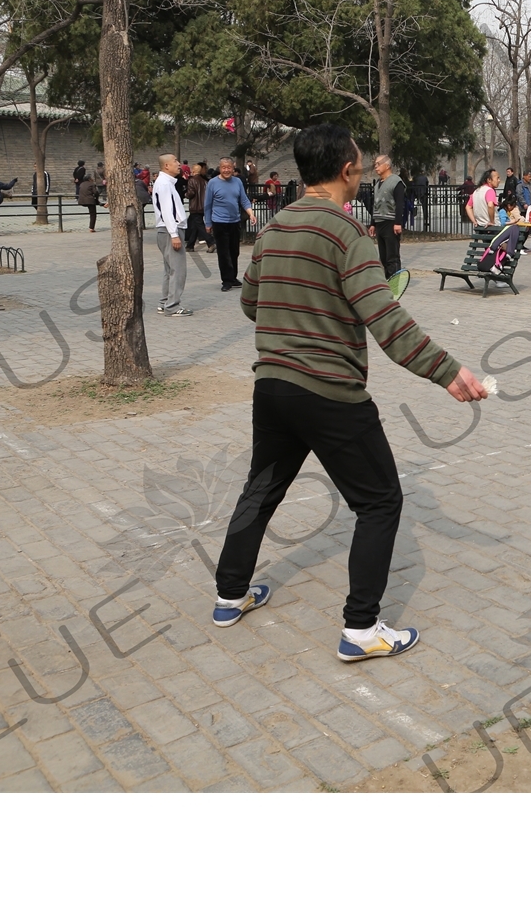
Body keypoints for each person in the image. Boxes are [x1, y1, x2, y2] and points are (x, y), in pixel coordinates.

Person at [212, 123, 489, 662]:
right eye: (361, 166)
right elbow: (384, 318)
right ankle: (361, 629)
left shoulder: (273, 229)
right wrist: (448, 371)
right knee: (380, 500)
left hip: (272, 388)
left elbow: (251, 303)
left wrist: (295, 310)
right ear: (346, 171)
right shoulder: (348, 233)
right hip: (329, 393)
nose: (362, 174)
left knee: (260, 490)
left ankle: (229, 594)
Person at [206, 156, 256, 289]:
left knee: (234, 251)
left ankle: (233, 277)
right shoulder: (213, 183)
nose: (226, 170)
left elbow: (244, 200)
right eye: (224, 168)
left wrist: (251, 214)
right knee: (223, 252)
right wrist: (208, 223)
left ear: (233, 168)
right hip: (219, 222)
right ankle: (226, 280)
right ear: (220, 168)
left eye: (229, 168)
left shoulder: (238, 182)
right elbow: (208, 204)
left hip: (234, 222)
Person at [151, 153, 192, 317]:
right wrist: (174, 234)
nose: (179, 164)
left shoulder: (165, 183)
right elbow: (168, 210)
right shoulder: (164, 184)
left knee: (169, 270)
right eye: (175, 161)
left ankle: (165, 302)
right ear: (166, 166)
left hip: (167, 230)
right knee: (178, 270)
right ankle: (173, 306)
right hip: (170, 230)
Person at [369, 153, 407, 278]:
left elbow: (400, 203)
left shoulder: (396, 182)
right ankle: (386, 280)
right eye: (375, 165)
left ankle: (395, 282)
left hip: (391, 223)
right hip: (380, 223)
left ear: (387, 165)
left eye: (378, 164)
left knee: (392, 256)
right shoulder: (377, 184)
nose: (376, 167)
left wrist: (398, 223)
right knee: (383, 256)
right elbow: (376, 205)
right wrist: (373, 224)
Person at [515, 171, 531, 253]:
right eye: (529, 176)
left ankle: (522, 244)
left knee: (529, 229)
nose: (530, 177)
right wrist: (524, 203)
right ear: (524, 176)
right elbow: (519, 195)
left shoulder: (530, 185)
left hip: (530, 209)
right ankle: (518, 245)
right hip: (523, 209)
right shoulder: (520, 185)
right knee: (523, 228)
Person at [76, 165, 102, 231]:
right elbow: (95, 192)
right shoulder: (91, 184)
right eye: (91, 178)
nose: (92, 178)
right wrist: (97, 196)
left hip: (81, 200)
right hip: (89, 200)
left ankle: (101, 204)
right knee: (93, 214)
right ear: (89, 179)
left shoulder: (81, 184)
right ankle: (91, 228)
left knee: (91, 211)